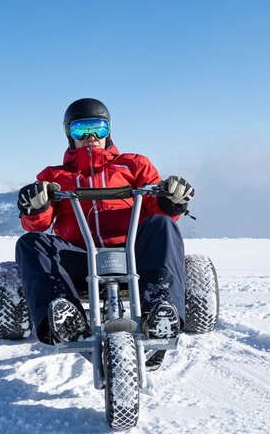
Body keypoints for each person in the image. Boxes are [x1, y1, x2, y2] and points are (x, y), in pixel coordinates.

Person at [15, 98, 195, 346]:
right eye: (81, 129)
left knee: (162, 226)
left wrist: (172, 200)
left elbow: (159, 209)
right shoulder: (54, 176)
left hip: (133, 253)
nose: (91, 136)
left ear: (108, 130)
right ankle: (64, 317)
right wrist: (36, 207)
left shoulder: (134, 165)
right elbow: (38, 225)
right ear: (69, 134)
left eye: (98, 128)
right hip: (80, 257)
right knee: (30, 243)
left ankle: (160, 309)